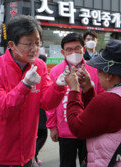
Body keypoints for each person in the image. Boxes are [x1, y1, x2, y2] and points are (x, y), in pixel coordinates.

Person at [0, 15, 68, 167]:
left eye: (37, 43)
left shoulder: (39, 65)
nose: (34, 49)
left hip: (27, 152)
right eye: (28, 44)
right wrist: (25, 84)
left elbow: (47, 102)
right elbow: (3, 109)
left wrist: (58, 86)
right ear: (12, 45)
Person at [46, 33, 104, 167]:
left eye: (77, 48)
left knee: (89, 163)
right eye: (69, 49)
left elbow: (101, 96)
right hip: (65, 131)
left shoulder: (94, 70)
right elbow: (50, 102)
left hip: (89, 130)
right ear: (63, 52)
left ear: (83, 49)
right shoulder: (55, 71)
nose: (74, 52)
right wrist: (52, 126)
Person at [34, 53, 48, 166]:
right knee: (42, 134)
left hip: (36, 110)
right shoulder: (42, 73)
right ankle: (34, 155)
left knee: (36, 135)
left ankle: (34, 156)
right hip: (39, 111)